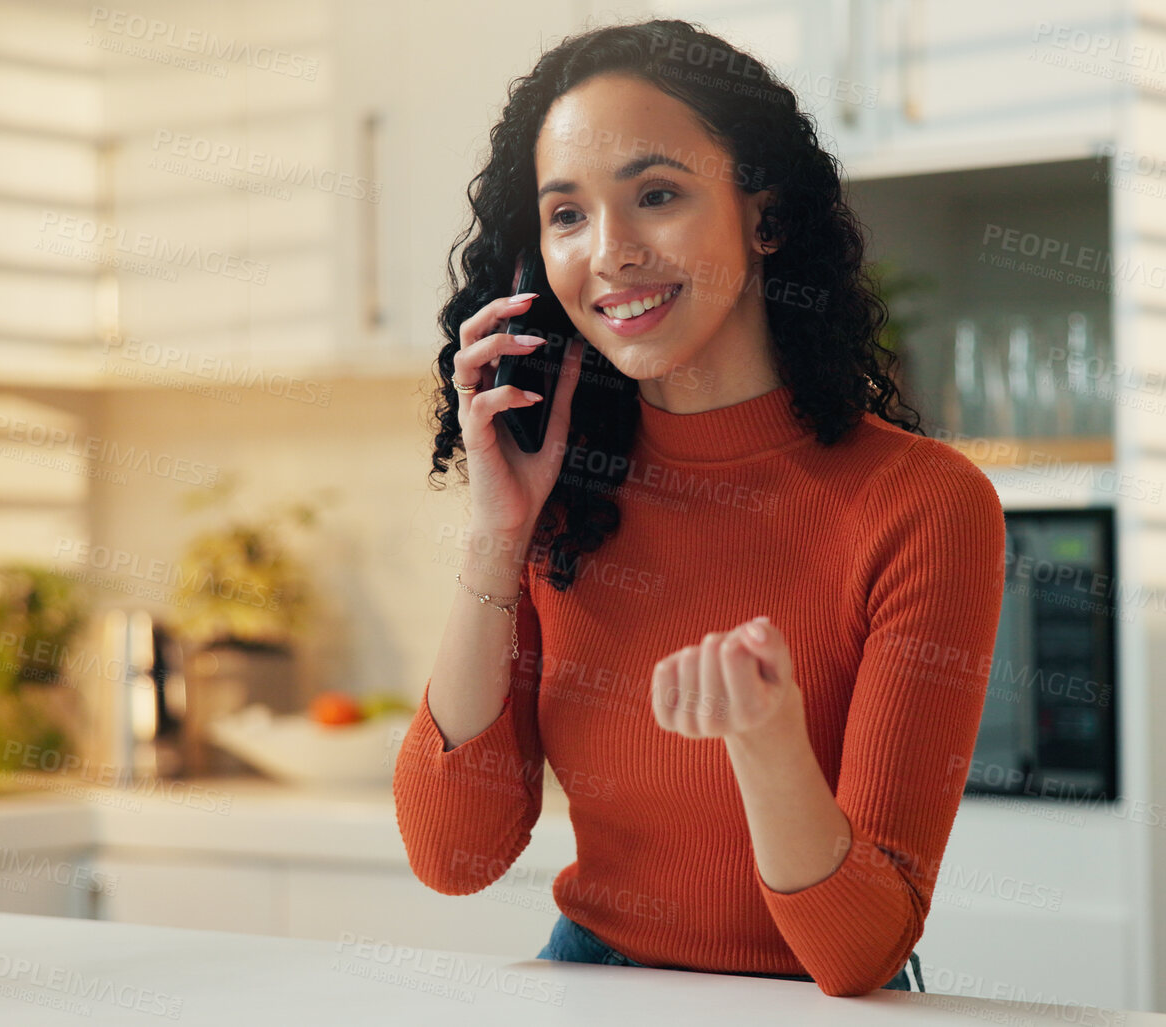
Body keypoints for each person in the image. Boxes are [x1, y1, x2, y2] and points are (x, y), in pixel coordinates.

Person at [393, 18, 1006, 998]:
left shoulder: (923, 504)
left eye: (658, 196)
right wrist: (497, 534)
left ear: (764, 216)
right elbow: (451, 856)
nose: (611, 253)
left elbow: (858, 950)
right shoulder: (561, 496)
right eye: (567, 215)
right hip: (590, 983)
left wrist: (766, 740)